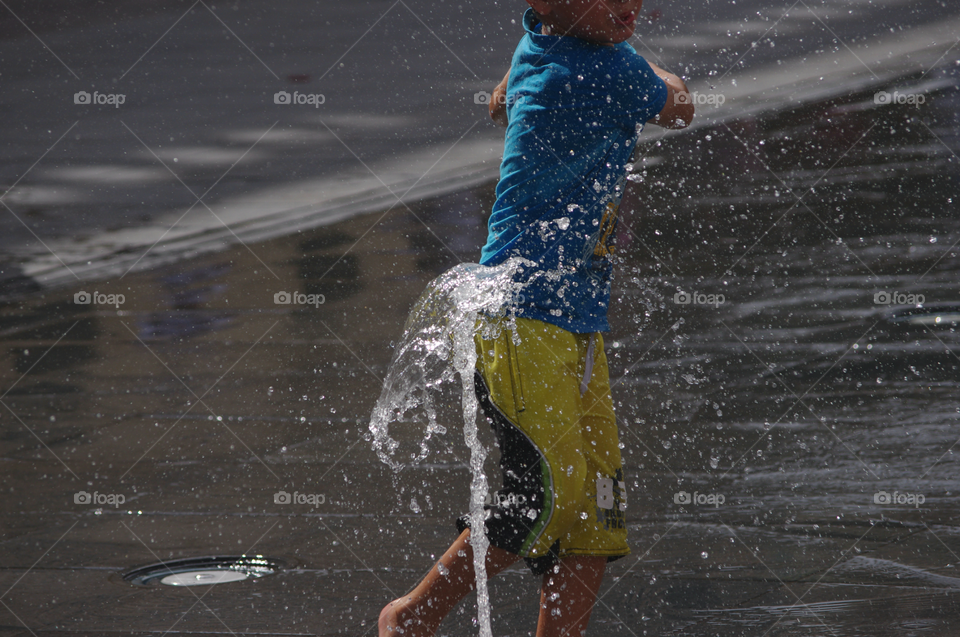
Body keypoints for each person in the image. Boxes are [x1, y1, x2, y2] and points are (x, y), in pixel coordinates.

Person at [379, 1, 693, 635]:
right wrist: (640, 63)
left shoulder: (539, 45)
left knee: (595, 517)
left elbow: (500, 100)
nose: (625, 5)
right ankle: (410, 619)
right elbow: (680, 107)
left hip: (575, 322)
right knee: (539, 504)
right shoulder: (608, 70)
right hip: (521, 322)